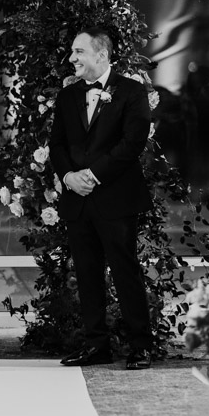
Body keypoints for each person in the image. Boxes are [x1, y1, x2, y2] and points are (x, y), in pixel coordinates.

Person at [48, 26, 153, 370]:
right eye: (72, 52)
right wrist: (67, 177)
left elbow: (132, 143)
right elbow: (57, 144)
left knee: (125, 271)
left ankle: (140, 345)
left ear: (102, 55)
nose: (72, 58)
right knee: (87, 273)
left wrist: (92, 175)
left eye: (78, 51)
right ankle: (96, 345)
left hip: (116, 198)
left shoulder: (132, 92)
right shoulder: (67, 96)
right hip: (78, 199)